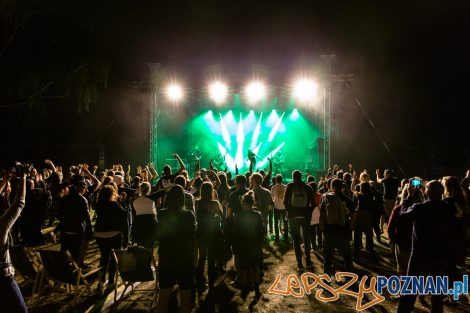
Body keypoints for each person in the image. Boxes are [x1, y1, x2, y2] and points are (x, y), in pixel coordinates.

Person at [397, 180, 455, 313]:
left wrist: (408, 197)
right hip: (441, 255)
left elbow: (402, 216)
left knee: (410, 291)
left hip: (420, 256)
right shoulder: (447, 208)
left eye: (426, 188)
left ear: (427, 192)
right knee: (437, 293)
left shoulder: (420, 208)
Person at [156, 185, 196, 313]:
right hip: (184, 258)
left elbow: (158, 235)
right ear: (182, 199)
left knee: (163, 296)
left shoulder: (161, 214)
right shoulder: (189, 215)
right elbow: (192, 237)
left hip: (166, 258)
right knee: (185, 297)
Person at [0, 165, 27, 313]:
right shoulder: (0, 226)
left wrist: (5, 181)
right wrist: (23, 178)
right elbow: (20, 203)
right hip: (3, 279)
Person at [94, 185, 129, 288]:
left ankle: (101, 281)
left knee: (104, 257)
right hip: (113, 233)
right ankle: (111, 282)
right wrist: (122, 201)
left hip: (99, 234)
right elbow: (124, 214)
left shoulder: (98, 204)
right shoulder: (114, 204)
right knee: (114, 258)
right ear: (111, 194)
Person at [232, 190, 264, 300]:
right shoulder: (257, 215)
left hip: (243, 245)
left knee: (244, 268)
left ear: (244, 204)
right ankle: (256, 289)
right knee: (254, 267)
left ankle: (244, 288)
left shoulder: (238, 216)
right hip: (254, 244)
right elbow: (261, 231)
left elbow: (235, 233)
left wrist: (235, 247)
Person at [320, 178, 354, 275]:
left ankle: (327, 277)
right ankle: (350, 276)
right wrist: (350, 226)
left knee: (328, 257)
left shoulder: (326, 198)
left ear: (331, 187)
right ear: (342, 187)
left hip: (329, 231)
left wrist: (322, 228)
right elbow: (353, 215)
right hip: (343, 231)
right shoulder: (347, 199)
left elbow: (322, 216)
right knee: (347, 256)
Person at [58, 175, 93, 267]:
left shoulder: (64, 198)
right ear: (80, 187)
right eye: (84, 187)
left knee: (65, 250)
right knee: (76, 252)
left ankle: (64, 266)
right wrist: (88, 229)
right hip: (77, 229)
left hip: (65, 229)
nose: (85, 189)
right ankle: (76, 269)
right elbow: (85, 216)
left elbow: (60, 214)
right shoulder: (82, 199)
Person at [284, 170, 315, 270]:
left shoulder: (290, 186)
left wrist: (290, 212)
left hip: (293, 217)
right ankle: (308, 261)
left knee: (296, 240)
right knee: (306, 239)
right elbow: (313, 203)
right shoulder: (308, 187)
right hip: (305, 217)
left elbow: (285, 202)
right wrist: (308, 214)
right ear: (301, 177)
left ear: (293, 177)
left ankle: (299, 264)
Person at [195, 181, 223, 292]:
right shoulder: (215, 203)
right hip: (212, 232)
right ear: (212, 190)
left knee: (202, 257)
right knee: (211, 258)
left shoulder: (197, 202)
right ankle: (211, 283)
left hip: (201, 231)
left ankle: (200, 281)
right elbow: (221, 214)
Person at [132, 182, 164, 248]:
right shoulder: (151, 197)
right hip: (151, 222)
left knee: (140, 245)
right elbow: (163, 192)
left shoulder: (134, 200)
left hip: (139, 223)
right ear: (149, 189)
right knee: (150, 245)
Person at [351, 181, 375, 260]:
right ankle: (372, 253)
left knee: (357, 235)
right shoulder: (371, 195)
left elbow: (352, 189)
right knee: (369, 235)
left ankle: (356, 254)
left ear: (361, 188)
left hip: (360, 215)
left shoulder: (360, 195)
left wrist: (353, 182)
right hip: (368, 216)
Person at [271, 174, 288, 241]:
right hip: (284, 207)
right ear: (282, 179)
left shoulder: (273, 188)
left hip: (276, 207)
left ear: (276, 180)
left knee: (275, 222)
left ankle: (277, 237)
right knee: (285, 222)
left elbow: (272, 198)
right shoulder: (285, 187)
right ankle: (286, 236)